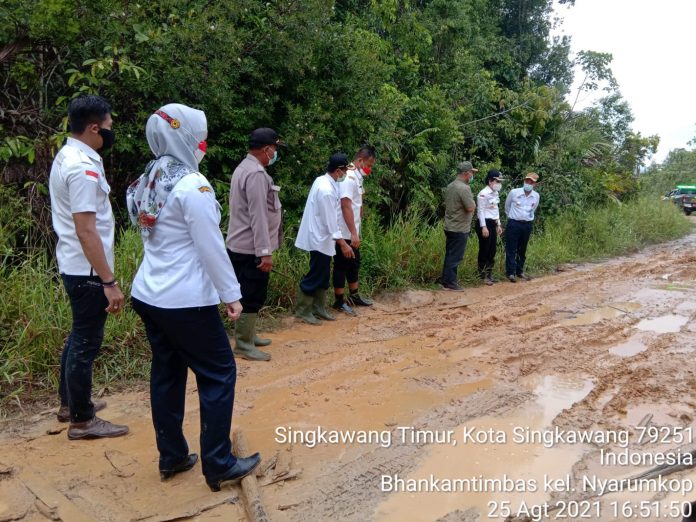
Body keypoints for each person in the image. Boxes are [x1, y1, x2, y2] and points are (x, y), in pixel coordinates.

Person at [127, 103, 260, 491]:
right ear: (184, 135)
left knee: (167, 373)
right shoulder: (193, 185)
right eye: (198, 134)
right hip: (184, 300)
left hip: (149, 293)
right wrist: (232, 295)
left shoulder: (146, 179)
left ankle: (172, 456)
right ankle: (218, 463)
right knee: (219, 373)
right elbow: (210, 246)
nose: (202, 142)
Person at [49, 94, 129, 440]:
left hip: (75, 264)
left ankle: (70, 403)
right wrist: (108, 280)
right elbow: (86, 229)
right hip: (87, 270)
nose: (111, 133)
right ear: (94, 127)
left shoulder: (69, 154)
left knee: (78, 335)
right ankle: (82, 420)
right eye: (109, 127)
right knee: (86, 340)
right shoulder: (82, 167)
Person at [225, 128, 284, 361]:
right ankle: (243, 344)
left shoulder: (244, 167)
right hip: (251, 247)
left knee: (247, 292)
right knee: (251, 294)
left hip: (240, 244)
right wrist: (264, 252)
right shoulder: (256, 174)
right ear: (266, 149)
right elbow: (258, 215)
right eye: (275, 148)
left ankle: (248, 336)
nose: (276, 153)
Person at [295, 153, 356, 324]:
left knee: (322, 274)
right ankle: (303, 311)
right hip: (320, 238)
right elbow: (331, 222)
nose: (345, 175)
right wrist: (343, 244)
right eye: (344, 171)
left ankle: (318, 308)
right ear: (338, 170)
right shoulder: (326, 190)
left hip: (322, 237)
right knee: (315, 274)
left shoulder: (322, 180)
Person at [332, 145, 376, 315]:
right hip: (345, 231)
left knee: (354, 263)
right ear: (359, 161)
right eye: (369, 165)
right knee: (342, 265)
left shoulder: (357, 177)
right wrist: (353, 233)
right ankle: (339, 301)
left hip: (353, 229)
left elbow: (357, 202)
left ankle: (354, 295)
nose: (369, 168)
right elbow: (345, 205)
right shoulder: (348, 177)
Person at [440, 161, 477, 291]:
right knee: (456, 256)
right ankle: (450, 282)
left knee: (450, 254)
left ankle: (445, 281)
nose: (472, 175)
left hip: (450, 225)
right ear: (466, 173)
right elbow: (471, 207)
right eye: (472, 172)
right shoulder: (464, 188)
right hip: (460, 227)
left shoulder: (450, 186)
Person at [504, 172, 540, 282]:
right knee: (511, 248)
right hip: (514, 223)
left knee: (522, 249)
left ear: (535, 184)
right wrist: (512, 218)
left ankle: (519, 271)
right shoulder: (514, 192)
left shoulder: (536, 196)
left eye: (531, 182)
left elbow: (533, 209)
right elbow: (507, 206)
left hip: (527, 225)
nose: (528, 183)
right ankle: (510, 272)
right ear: (524, 181)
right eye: (527, 181)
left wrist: (525, 219)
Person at [474, 169, 504, 285]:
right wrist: (483, 227)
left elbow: (495, 210)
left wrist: (498, 224)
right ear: (491, 181)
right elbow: (480, 211)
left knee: (492, 249)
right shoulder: (483, 194)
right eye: (498, 181)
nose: (499, 184)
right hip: (484, 223)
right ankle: (482, 275)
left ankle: (489, 273)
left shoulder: (495, 193)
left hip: (493, 223)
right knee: (484, 249)